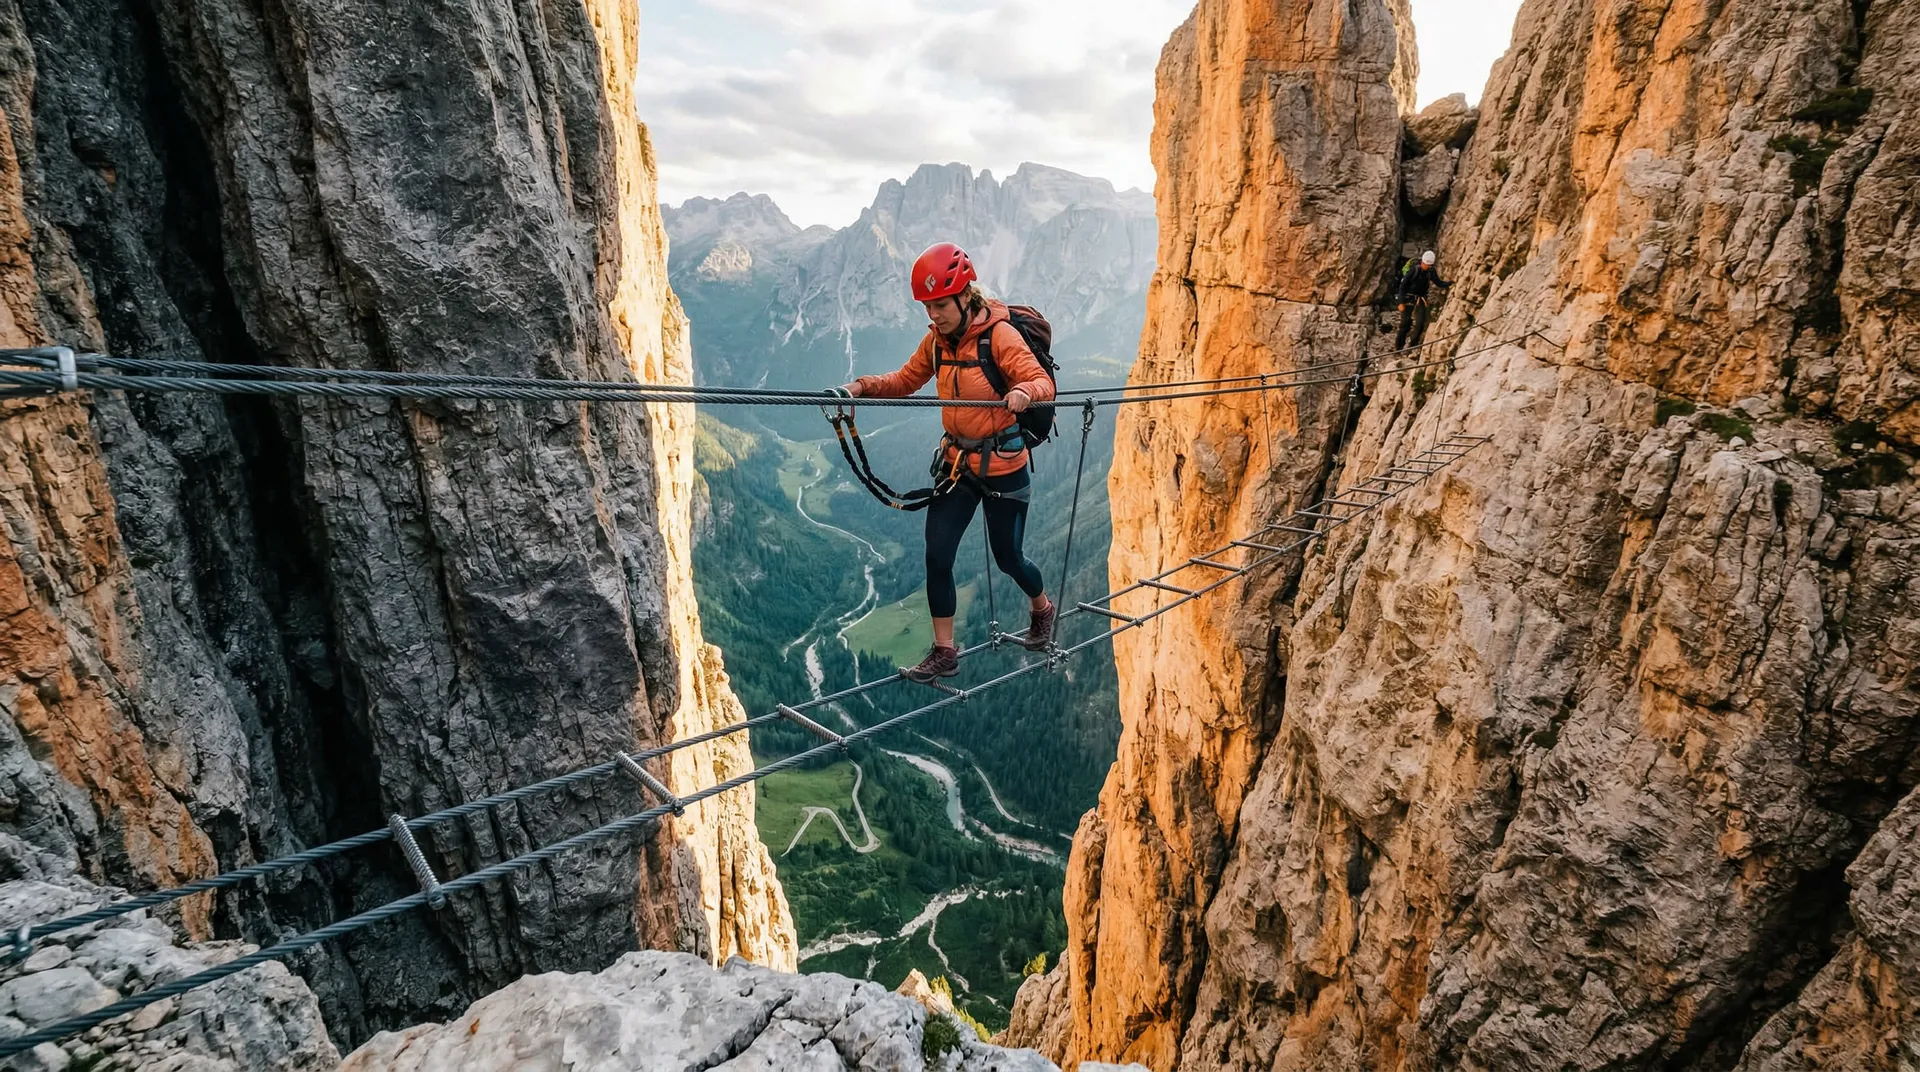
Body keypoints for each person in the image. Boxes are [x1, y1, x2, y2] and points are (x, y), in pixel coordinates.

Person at [839, 242, 1057, 682]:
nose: (933, 314)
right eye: (928, 306)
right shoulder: (936, 341)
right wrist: (859, 388)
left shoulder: (1001, 335)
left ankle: (1043, 610)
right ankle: (944, 652)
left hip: (1003, 466)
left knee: (1009, 558)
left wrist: (1023, 393)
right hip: (957, 466)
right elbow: (905, 379)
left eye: (940, 304)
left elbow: (1040, 382)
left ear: (964, 295)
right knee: (937, 556)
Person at [1395, 250, 1452, 350]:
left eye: (1430, 265)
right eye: (1427, 265)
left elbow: (1438, 283)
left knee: (1420, 323)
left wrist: (1450, 283)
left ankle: (1411, 346)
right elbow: (1402, 286)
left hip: (1421, 298)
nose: (1428, 267)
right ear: (1422, 262)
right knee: (1405, 323)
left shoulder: (1430, 271)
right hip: (1409, 297)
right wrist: (1401, 302)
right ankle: (1398, 347)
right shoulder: (1414, 270)